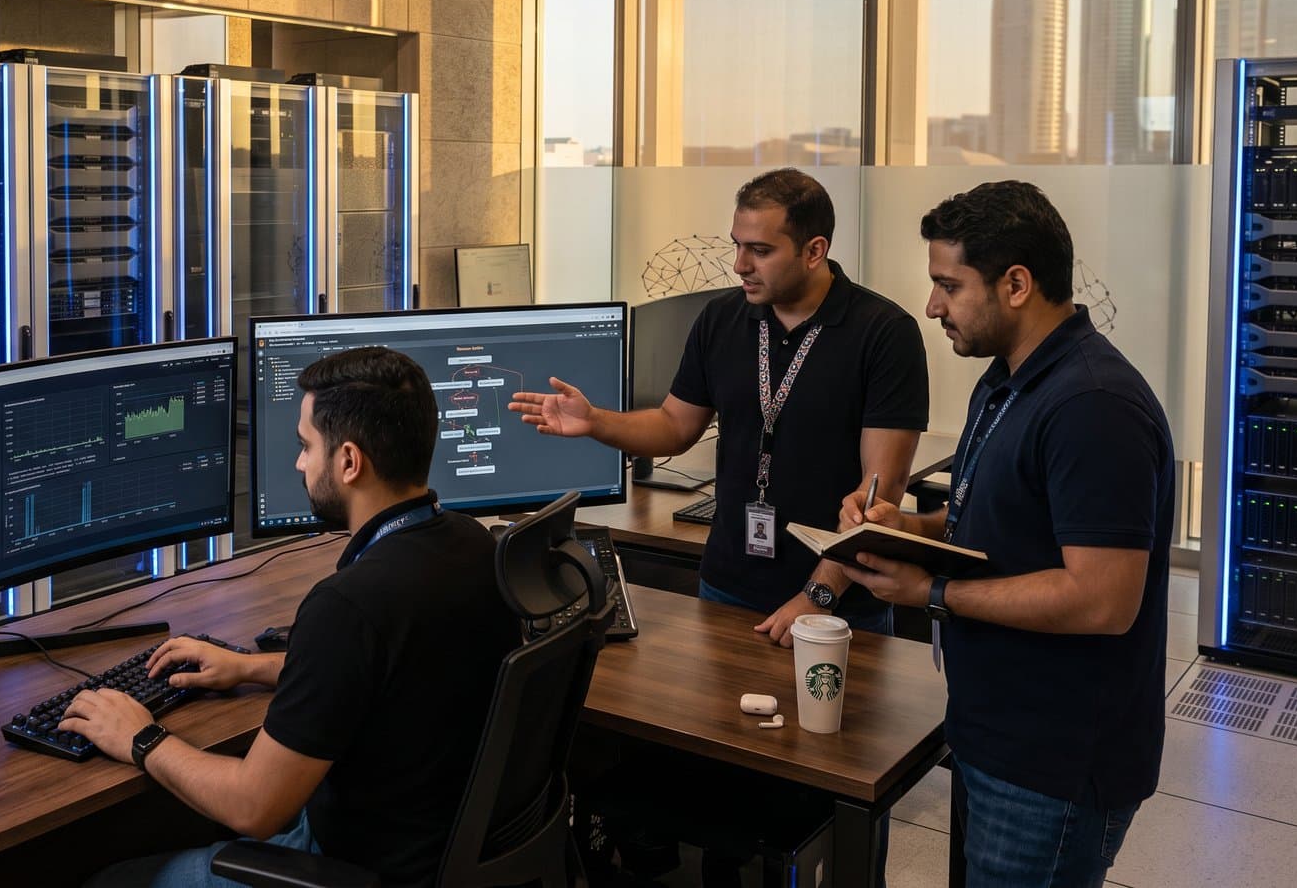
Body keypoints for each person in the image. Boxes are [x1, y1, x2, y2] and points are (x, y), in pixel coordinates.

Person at [65, 347, 519, 888]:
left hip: (359, 865)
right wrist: (249, 667)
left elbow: (255, 809)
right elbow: (392, 676)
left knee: (104, 880)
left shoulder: (349, 604)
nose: (300, 463)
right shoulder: (474, 546)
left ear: (349, 462)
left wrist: (141, 738)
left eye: (307, 446)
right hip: (441, 845)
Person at [837, 181, 1172, 888]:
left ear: (1016, 284)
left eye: (948, 286)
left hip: (1055, 764)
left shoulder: (1092, 406)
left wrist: (933, 591)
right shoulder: (1006, 380)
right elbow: (990, 519)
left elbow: (1103, 599)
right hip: (996, 731)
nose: (932, 306)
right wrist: (906, 526)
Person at [512, 168, 929, 640]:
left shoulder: (884, 333)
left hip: (839, 599)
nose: (739, 265)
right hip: (726, 583)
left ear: (815, 251)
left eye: (760, 251)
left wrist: (817, 595)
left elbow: (879, 493)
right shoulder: (721, 318)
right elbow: (674, 425)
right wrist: (596, 422)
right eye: (737, 245)